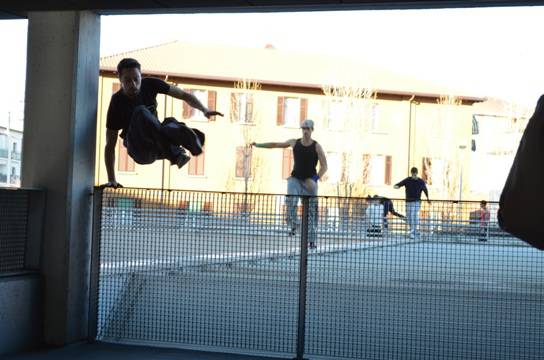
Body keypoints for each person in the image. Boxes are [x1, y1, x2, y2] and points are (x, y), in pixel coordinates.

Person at [103, 58, 223, 188]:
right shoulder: (117, 102)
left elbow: (184, 95)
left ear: (141, 76)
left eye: (136, 79)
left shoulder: (150, 84)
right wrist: (111, 179)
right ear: (120, 79)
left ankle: (185, 144)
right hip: (140, 150)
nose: (133, 84)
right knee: (141, 112)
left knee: (170, 123)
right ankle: (175, 152)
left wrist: (204, 109)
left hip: (157, 145)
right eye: (127, 80)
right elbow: (110, 146)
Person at [251, 119, 328, 248]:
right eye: (303, 128)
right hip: (295, 179)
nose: (305, 131)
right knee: (291, 201)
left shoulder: (316, 146)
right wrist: (258, 145)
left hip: (310, 181)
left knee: (312, 211)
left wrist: (315, 180)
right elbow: (275, 144)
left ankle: (312, 240)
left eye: (307, 129)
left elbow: (324, 166)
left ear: (312, 130)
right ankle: (294, 226)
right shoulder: (294, 143)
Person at [394, 167, 430, 239]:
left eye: (415, 175)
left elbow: (425, 190)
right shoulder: (408, 180)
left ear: (416, 173)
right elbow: (400, 184)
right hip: (409, 201)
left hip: (416, 201)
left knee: (414, 215)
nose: (414, 176)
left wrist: (428, 198)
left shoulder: (420, 181)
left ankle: (413, 231)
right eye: (413, 175)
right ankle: (413, 230)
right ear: (411, 173)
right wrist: (396, 186)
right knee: (409, 216)